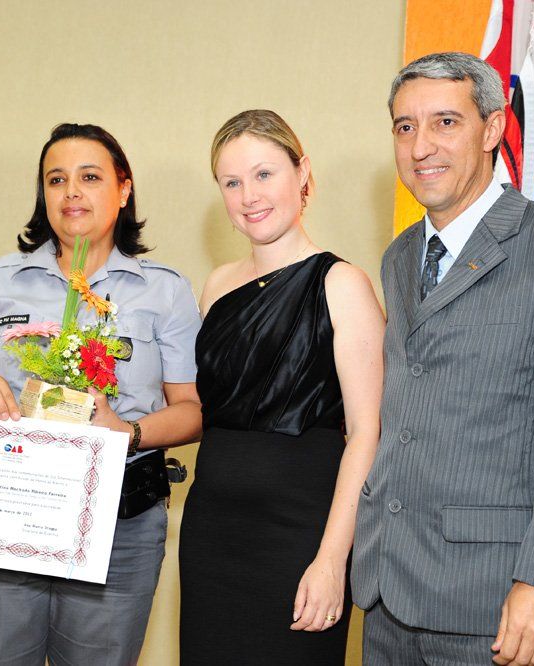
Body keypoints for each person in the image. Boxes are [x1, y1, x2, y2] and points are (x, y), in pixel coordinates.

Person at [351, 52, 534, 666]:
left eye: (445, 122)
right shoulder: (400, 256)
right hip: (387, 593)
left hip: (499, 604)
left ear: (493, 128)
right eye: (404, 126)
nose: (421, 146)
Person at [0, 122, 203, 665]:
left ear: (123, 189)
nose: (72, 192)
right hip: (5, 516)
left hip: (120, 528)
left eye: (90, 177)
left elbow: (194, 411)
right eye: (56, 180)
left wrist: (127, 431)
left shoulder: (164, 289)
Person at [178, 109, 385, 664]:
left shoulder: (342, 284)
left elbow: (366, 433)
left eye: (264, 174)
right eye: (232, 182)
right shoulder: (217, 285)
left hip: (300, 536)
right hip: (211, 534)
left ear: (303, 173)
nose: (249, 195)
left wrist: (332, 560)